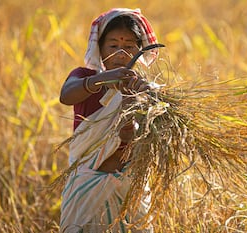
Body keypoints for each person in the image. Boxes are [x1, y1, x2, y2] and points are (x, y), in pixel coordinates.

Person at [59, 8, 160, 232]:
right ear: (100, 49)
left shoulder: (144, 90)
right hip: (87, 188)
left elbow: (136, 139)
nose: (120, 53)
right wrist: (103, 80)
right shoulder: (86, 77)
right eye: (113, 46)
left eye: (128, 46)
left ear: (140, 50)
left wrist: (140, 102)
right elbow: (66, 95)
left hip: (129, 189)